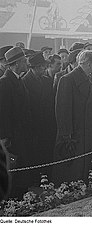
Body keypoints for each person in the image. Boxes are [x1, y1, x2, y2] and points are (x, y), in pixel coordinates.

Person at [53, 50, 92, 186]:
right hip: (74, 133)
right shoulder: (67, 80)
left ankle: (88, 185)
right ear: (88, 64)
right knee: (74, 166)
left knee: (89, 163)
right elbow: (62, 110)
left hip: (89, 129)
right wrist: (66, 134)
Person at [0, 47, 30, 198]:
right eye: (24, 61)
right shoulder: (4, 83)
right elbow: (3, 113)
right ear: (17, 63)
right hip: (12, 137)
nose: (27, 63)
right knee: (13, 170)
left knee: (21, 169)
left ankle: (20, 197)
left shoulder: (18, 80)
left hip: (22, 134)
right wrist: (5, 138)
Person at [22, 52, 56, 184]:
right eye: (42, 67)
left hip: (47, 123)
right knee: (35, 152)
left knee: (47, 150)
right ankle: (35, 178)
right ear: (35, 67)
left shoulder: (47, 81)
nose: (44, 70)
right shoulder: (25, 81)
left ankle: (47, 174)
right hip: (33, 124)